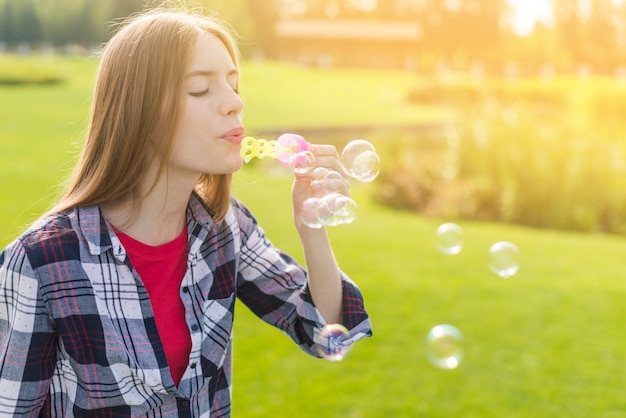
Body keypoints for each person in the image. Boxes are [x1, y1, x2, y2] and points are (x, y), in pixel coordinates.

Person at [0, 7, 372, 417]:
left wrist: (311, 225)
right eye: (201, 89)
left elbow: (324, 334)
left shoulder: (227, 227)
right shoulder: (39, 263)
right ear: (139, 112)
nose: (235, 104)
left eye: (234, 85)